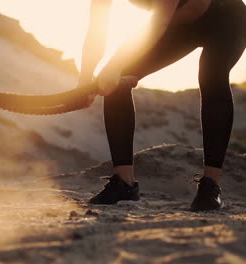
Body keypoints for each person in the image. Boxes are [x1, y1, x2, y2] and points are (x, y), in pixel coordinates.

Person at [78, 0, 246, 211]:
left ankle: (211, 186)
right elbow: (97, 31)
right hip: (176, 22)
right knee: (117, 80)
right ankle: (124, 184)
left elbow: (161, 21)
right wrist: (84, 81)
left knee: (211, 75)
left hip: (225, 17)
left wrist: (115, 64)